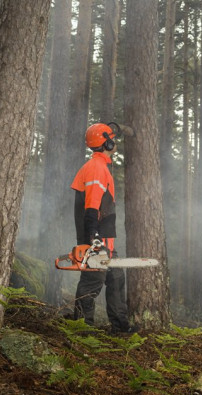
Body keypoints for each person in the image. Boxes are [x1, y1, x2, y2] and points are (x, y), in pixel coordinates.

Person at [71, 122, 133, 333]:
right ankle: (82, 328)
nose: (114, 141)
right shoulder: (97, 168)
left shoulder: (100, 165)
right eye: (111, 138)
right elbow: (92, 206)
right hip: (98, 236)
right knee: (92, 280)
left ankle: (120, 327)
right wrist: (94, 236)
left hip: (105, 236)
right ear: (105, 142)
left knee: (115, 278)